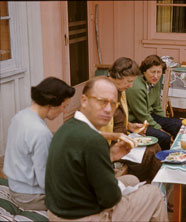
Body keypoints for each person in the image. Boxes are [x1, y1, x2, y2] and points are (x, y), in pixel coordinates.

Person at [45, 76, 168, 221]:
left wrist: (110, 155)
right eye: (102, 101)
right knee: (153, 193)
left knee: (133, 180)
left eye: (113, 104)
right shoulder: (93, 140)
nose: (109, 109)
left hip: (59, 210)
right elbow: (110, 199)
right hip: (82, 217)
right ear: (84, 100)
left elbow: (81, 166)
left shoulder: (67, 128)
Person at [3, 77, 75, 211]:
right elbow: (45, 181)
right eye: (64, 106)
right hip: (29, 197)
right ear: (52, 104)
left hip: (16, 186)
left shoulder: (20, 116)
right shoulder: (41, 132)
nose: (64, 111)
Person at [99, 57, 162, 183]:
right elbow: (93, 129)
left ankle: (153, 186)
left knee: (155, 147)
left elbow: (116, 119)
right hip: (107, 146)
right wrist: (118, 136)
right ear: (117, 76)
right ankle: (141, 184)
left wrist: (129, 126)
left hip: (123, 137)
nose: (131, 85)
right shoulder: (102, 93)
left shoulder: (120, 90)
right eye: (128, 81)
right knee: (149, 152)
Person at [126, 54, 182, 150]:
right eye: (152, 72)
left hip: (149, 115)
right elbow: (142, 115)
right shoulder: (136, 87)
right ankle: (162, 161)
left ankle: (179, 153)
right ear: (144, 71)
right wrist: (160, 129)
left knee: (179, 124)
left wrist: (166, 122)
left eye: (159, 72)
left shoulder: (155, 82)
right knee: (164, 137)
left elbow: (157, 107)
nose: (156, 76)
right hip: (136, 119)